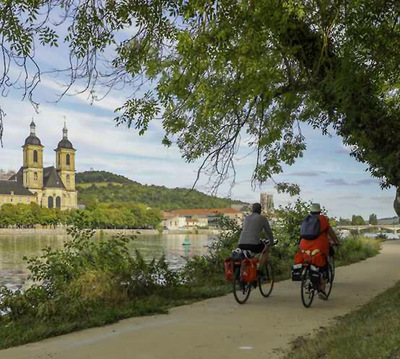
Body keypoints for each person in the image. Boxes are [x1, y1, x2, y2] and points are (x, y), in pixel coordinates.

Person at [300, 203, 340, 299]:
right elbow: (330, 232)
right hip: (319, 246)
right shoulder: (322, 219)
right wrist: (337, 241)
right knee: (323, 266)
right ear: (319, 211)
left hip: (304, 245)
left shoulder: (306, 219)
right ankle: (321, 289)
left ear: (310, 211)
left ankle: (307, 279)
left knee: (307, 260)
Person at [238, 203, 275, 275]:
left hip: (241, 243)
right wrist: (271, 242)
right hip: (253, 244)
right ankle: (259, 270)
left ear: (252, 209)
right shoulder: (262, 218)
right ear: (260, 210)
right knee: (265, 249)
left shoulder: (246, 218)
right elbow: (268, 232)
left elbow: (249, 231)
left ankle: (247, 274)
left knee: (250, 255)